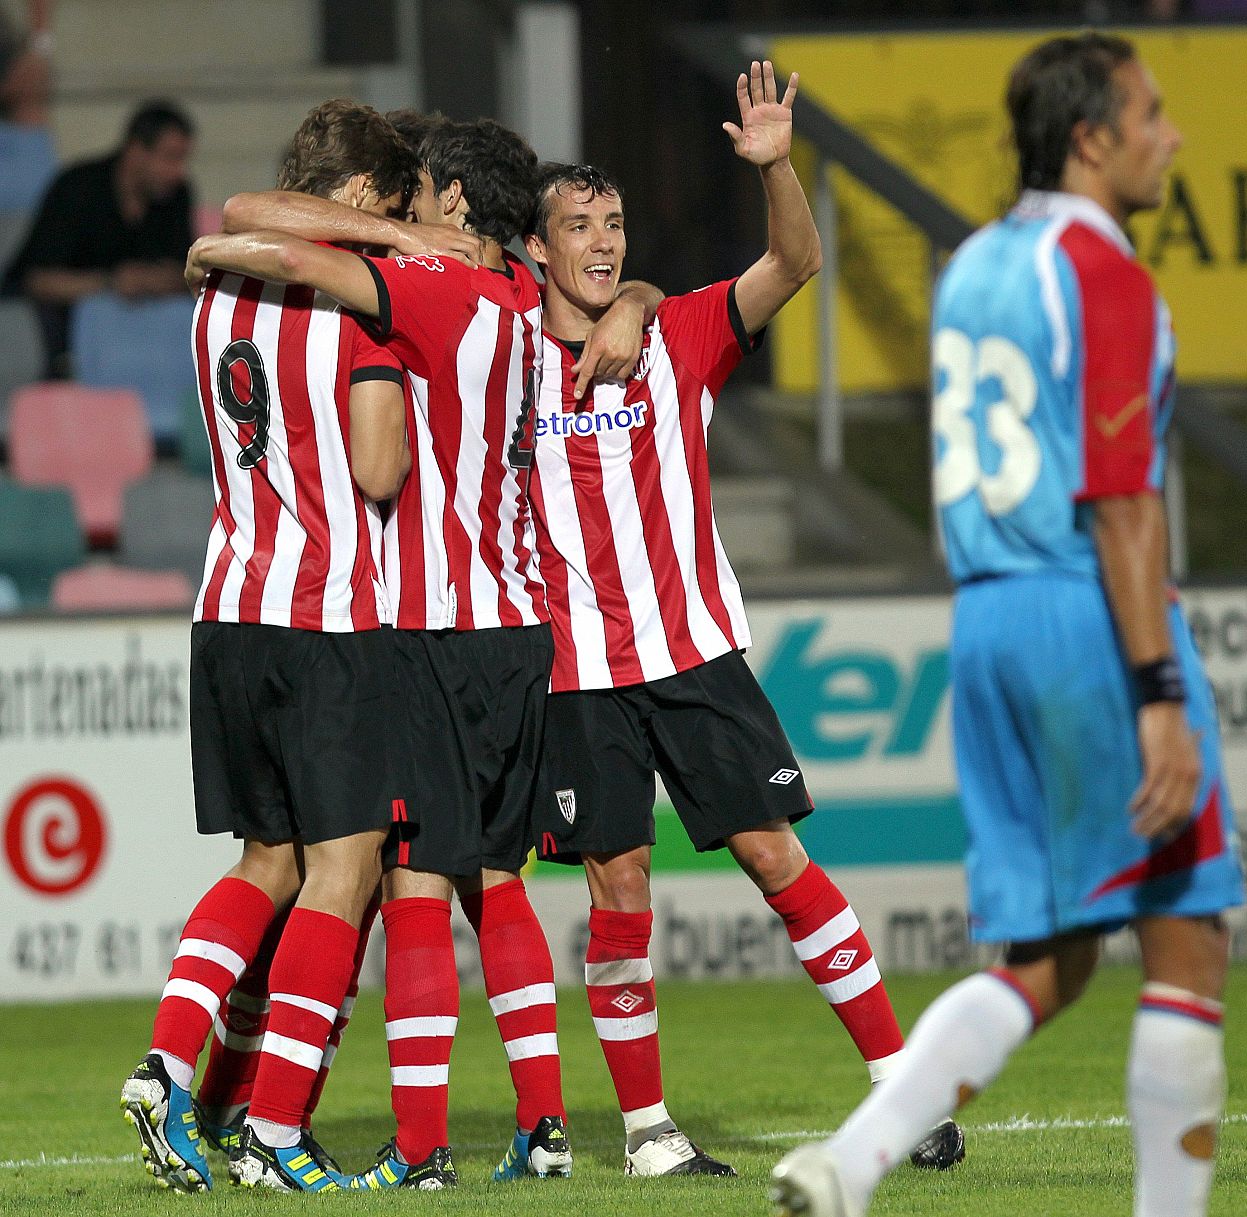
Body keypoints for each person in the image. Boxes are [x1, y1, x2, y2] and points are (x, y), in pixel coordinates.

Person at [770, 34, 1247, 1217]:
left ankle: (856, 1154)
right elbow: (1123, 498)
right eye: (1151, 113)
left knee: (1048, 957)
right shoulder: (1106, 272)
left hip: (982, 618)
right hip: (1085, 612)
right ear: (1092, 137)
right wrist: (1158, 696)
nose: (1170, 134)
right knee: (1187, 935)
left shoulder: (975, 261)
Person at [187, 115, 662, 1191]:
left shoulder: (441, 294)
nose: (408, 217)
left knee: (405, 884)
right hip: (514, 620)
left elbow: (282, 240)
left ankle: (414, 1147)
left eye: (423, 201)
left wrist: (221, 249)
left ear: (453, 206)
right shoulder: (530, 310)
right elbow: (619, 302)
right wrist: (630, 295)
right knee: (496, 879)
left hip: (433, 625)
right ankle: (541, 1126)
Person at [520, 62, 962, 1178]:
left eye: (614, 224)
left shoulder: (682, 333)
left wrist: (775, 168)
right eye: (579, 227)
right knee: (620, 889)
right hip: (574, 669)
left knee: (776, 853)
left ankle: (898, 1086)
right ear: (538, 249)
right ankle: (647, 1132)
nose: (604, 243)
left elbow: (795, 263)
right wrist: (625, 303)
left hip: (694, 650)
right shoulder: (506, 356)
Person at [119, 99, 434, 1195]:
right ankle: (276, 1129)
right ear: (355, 204)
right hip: (327, 609)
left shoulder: (216, 295)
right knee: (345, 869)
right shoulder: (356, 315)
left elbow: (230, 233)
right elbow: (382, 471)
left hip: (228, 604)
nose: (402, 226)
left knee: (267, 862)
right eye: (392, 208)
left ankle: (168, 1063)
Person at [2, 98, 194, 376]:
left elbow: (188, 274)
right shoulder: (77, 189)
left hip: (147, 348)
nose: (177, 171)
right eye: (170, 158)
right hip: (65, 345)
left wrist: (150, 281)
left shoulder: (176, 195)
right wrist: (110, 283)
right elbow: (35, 280)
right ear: (137, 150)